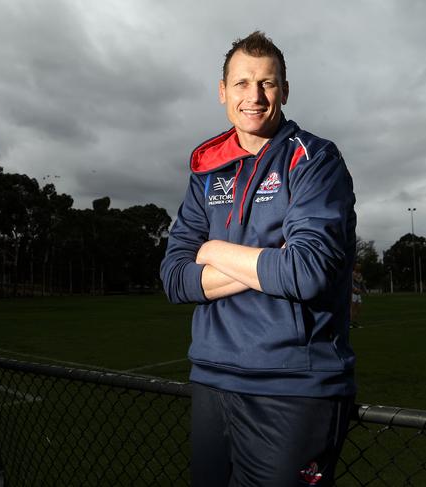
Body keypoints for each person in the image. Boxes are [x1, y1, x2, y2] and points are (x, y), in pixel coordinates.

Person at [160, 31, 357, 486]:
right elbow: (173, 277)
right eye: (242, 83)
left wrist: (211, 253)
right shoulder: (208, 170)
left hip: (293, 388)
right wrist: (266, 263)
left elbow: (308, 272)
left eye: (267, 83)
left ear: (284, 91)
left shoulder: (314, 160)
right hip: (212, 378)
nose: (255, 96)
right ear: (222, 91)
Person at [350, 264, 366, 328]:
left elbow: (362, 283)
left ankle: (355, 323)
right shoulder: (352, 274)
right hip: (353, 293)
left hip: (359, 293)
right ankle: (350, 323)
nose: (359, 267)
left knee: (359, 308)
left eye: (360, 267)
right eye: (357, 266)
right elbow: (350, 283)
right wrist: (355, 289)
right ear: (355, 267)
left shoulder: (360, 274)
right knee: (352, 308)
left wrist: (365, 291)